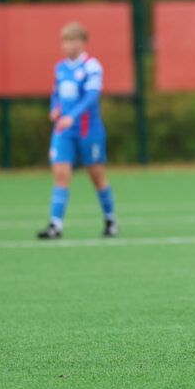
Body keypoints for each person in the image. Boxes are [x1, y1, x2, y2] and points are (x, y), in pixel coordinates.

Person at [38, 22, 119, 239]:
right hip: (64, 131)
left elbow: (91, 96)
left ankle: (110, 219)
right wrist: (55, 109)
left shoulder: (92, 66)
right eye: (65, 41)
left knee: (97, 176)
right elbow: (56, 94)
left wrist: (71, 116)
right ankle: (55, 225)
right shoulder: (60, 68)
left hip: (87, 130)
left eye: (73, 41)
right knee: (60, 176)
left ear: (83, 43)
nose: (68, 45)